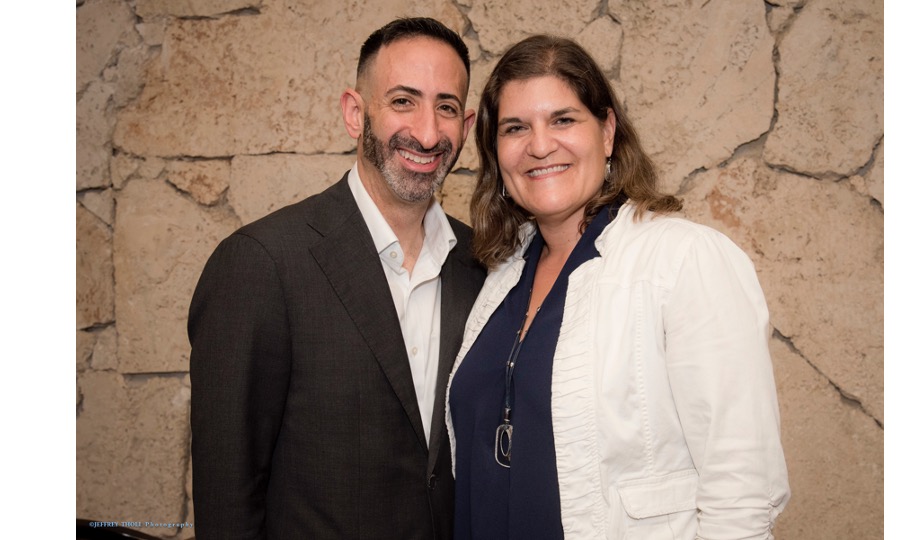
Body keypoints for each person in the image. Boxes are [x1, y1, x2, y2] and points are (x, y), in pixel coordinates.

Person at [445, 35, 790, 539]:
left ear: (607, 132)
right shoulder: (500, 277)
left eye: (563, 120)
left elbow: (743, 490)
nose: (539, 145)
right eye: (515, 128)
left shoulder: (683, 260)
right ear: (496, 153)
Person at [189, 17, 485, 539]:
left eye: (445, 107)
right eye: (402, 101)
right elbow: (228, 497)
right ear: (355, 113)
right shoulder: (262, 264)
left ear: (466, 124)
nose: (427, 133)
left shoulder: (483, 265)